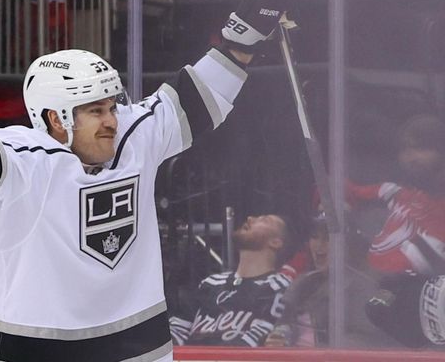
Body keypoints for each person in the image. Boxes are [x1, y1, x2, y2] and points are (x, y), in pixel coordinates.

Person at [0, 0, 291, 360]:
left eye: (110, 105)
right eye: (95, 110)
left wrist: (242, 37)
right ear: (56, 120)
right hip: (31, 347)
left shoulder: (134, 135)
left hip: (135, 344)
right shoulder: (25, 157)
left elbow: (201, 97)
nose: (111, 119)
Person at [265, 214, 402, 349]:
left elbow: (365, 342)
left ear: (347, 243)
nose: (319, 246)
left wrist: (318, 354)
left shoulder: (362, 287)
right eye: (314, 237)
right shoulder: (303, 283)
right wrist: (280, 335)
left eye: (327, 238)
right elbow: (284, 323)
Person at [169, 215, 292, 347]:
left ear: (275, 242)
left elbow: (257, 339)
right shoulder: (211, 282)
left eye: (264, 220)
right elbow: (177, 329)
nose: (250, 218)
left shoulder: (280, 287)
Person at [347, 114, 445, 275]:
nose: (410, 157)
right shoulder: (397, 193)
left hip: (402, 293)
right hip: (355, 290)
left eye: (421, 148)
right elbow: (339, 188)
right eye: (405, 149)